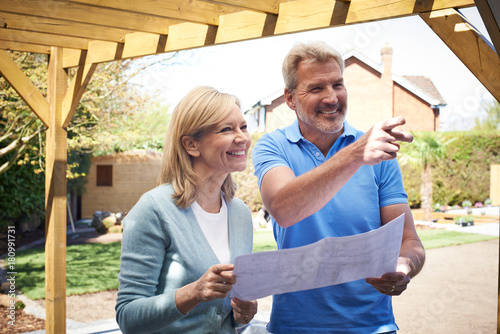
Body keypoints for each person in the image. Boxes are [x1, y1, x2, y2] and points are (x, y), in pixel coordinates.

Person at [252, 41, 426, 333]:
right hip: (295, 326)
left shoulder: (378, 153)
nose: (332, 98)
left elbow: (409, 241)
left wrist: (404, 266)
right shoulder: (273, 146)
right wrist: (356, 154)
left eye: (338, 84)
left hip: (373, 326)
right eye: (317, 88)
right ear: (291, 98)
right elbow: (283, 209)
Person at [116, 86, 258, 333]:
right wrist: (194, 292)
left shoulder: (241, 214)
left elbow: (223, 315)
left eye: (243, 127)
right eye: (227, 129)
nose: (242, 138)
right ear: (191, 144)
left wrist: (241, 314)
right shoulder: (154, 210)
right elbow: (128, 317)